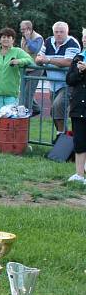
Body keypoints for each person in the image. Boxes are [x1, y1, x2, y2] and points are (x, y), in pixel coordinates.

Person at [36, 21, 81, 135]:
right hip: (53, 84)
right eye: (56, 32)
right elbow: (38, 58)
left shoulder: (72, 43)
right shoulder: (48, 41)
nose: (59, 34)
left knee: (57, 107)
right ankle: (63, 136)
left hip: (68, 84)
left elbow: (68, 62)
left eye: (62, 32)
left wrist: (48, 60)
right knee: (55, 111)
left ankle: (60, 136)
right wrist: (39, 61)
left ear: (67, 32)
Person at [0, 27, 34, 128]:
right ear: (0, 39)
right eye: (3, 37)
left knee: (10, 120)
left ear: (13, 40)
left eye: (9, 37)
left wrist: (19, 61)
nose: (6, 39)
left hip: (11, 91)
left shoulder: (17, 51)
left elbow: (29, 60)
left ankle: (9, 142)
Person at [65, 28, 86, 184]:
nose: (84, 40)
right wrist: (79, 72)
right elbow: (69, 80)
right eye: (84, 37)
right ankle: (79, 174)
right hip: (78, 105)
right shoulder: (77, 58)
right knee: (79, 140)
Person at [18, 20, 44, 115]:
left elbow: (34, 50)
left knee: (29, 92)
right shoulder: (23, 37)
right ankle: (36, 109)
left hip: (36, 68)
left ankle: (25, 114)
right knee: (23, 92)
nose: (21, 31)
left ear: (29, 29)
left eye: (23, 29)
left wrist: (28, 39)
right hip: (26, 67)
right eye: (21, 29)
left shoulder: (38, 38)